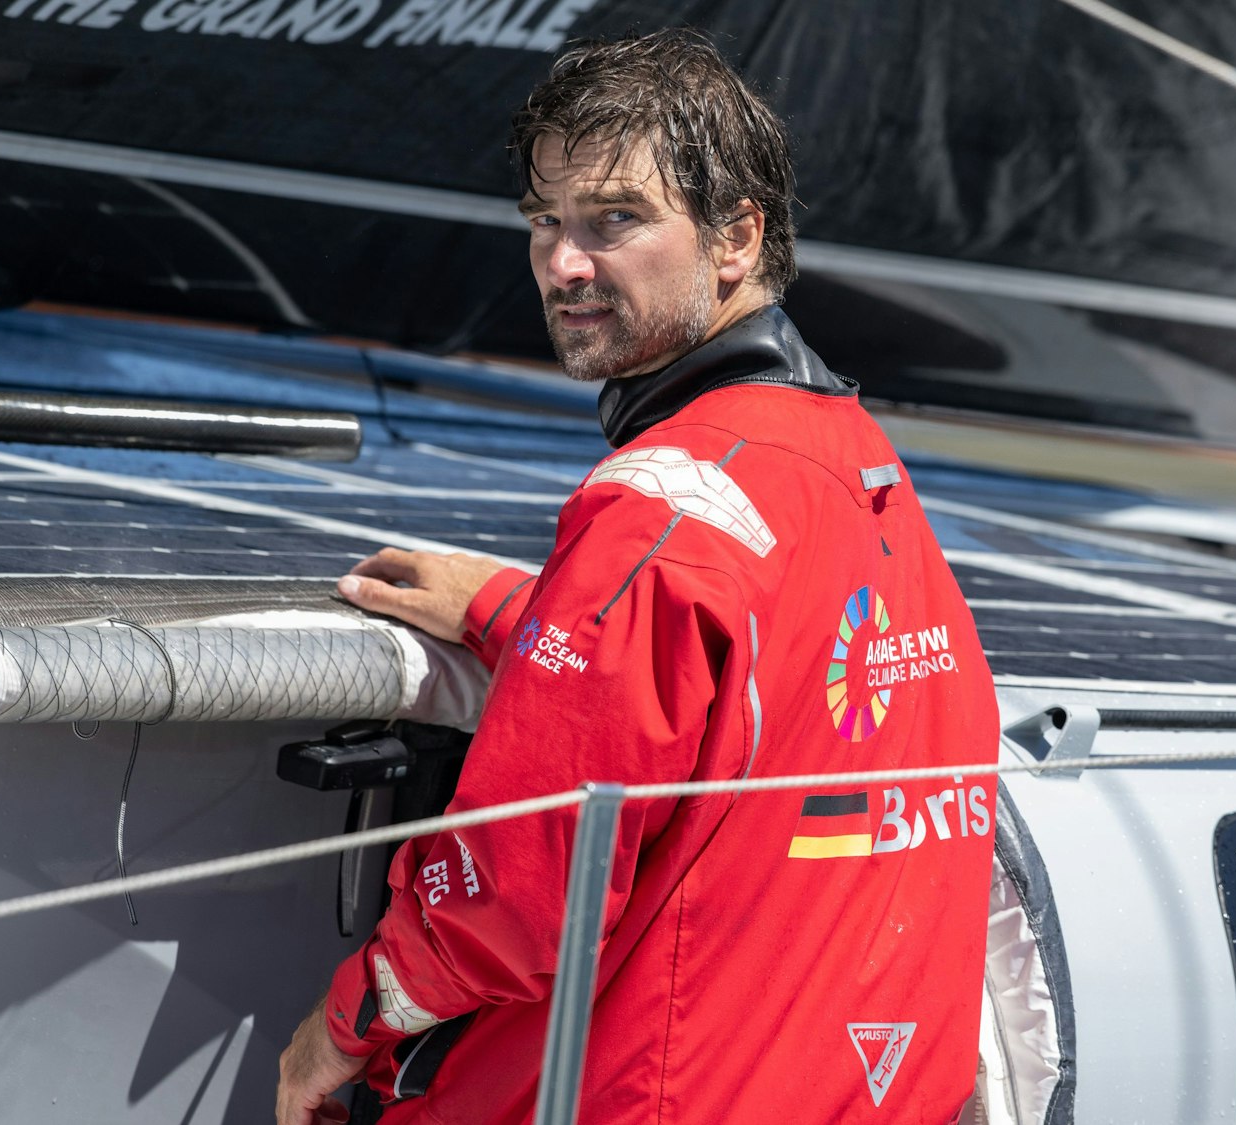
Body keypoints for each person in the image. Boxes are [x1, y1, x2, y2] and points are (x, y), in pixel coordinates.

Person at [275, 30, 998, 1125]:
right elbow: (781, 692)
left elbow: (518, 896)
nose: (563, 264)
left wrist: (337, 1032)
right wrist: (531, 616)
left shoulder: (659, 510)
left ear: (735, 239)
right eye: (543, 222)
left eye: (613, 219)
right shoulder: (853, 464)